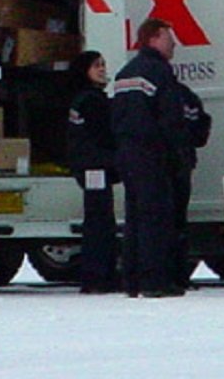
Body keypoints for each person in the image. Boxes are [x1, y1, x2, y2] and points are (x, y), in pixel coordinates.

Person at [111, 17, 192, 298]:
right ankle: (155, 281)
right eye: (170, 39)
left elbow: (118, 117)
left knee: (134, 219)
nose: (175, 45)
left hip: (127, 154)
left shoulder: (124, 74)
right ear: (154, 38)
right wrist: (177, 154)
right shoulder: (159, 72)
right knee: (157, 219)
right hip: (152, 155)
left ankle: (132, 280)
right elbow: (170, 119)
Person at [65, 50, 118, 293]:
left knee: (98, 219)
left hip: (88, 166)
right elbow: (104, 135)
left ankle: (97, 273)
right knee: (100, 221)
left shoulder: (80, 99)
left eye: (103, 64)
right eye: (97, 65)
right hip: (95, 167)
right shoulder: (92, 101)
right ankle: (98, 275)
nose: (102, 69)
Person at [171, 79, 211, 289]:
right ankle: (177, 273)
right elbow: (200, 129)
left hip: (162, 164)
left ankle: (168, 273)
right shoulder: (183, 94)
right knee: (178, 220)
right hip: (182, 162)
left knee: (160, 220)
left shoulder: (165, 93)